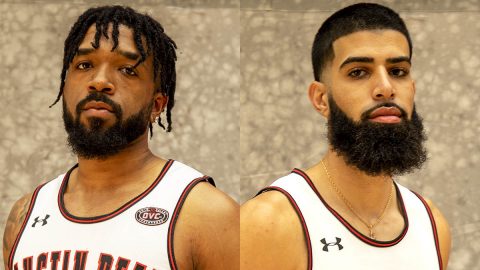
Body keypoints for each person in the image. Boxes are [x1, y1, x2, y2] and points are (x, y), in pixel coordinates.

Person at [3, 6, 238, 270]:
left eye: (127, 70)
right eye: (84, 65)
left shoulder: (206, 213)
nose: (100, 81)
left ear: (157, 105)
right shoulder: (25, 214)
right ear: (65, 86)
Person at [241, 3, 451, 270]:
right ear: (321, 99)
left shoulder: (432, 224)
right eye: (358, 72)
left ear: (412, 88)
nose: (385, 88)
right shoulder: (270, 222)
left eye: (398, 71)